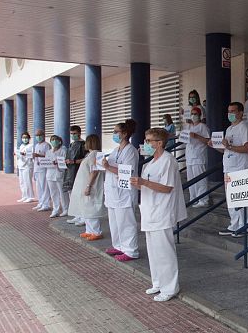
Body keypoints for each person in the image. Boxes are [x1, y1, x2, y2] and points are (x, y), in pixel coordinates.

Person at [130, 128, 187, 302]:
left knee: (164, 251)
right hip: (149, 211)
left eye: (148, 141)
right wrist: (137, 183)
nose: (145, 144)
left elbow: (167, 187)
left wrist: (144, 182)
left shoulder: (168, 161)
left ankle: (170, 287)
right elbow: (147, 186)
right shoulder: (149, 163)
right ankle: (158, 282)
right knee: (153, 251)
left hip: (162, 211)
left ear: (159, 143)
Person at [210, 102, 248, 236]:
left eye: (233, 111)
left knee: (241, 197)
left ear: (240, 113)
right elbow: (226, 150)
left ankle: (245, 226)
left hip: (240, 167)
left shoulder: (244, 127)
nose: (230, 114)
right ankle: (234, 224)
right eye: (229, 111)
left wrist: (229, 147)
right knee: (231, 198)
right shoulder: (229, 129)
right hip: (229, 166)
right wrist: (214, 145)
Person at [101, 119, 140, 261]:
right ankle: (118, 246)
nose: (114, 134)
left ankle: (131, 250)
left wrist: (108, 167)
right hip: (113, 191)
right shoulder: (115, 150)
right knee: (115, 222)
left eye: (116, 132)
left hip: (124, 192)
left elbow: (127, 171)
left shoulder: (131, 151)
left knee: (126, 222)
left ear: (124, 134)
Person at [69, 134, 105, 241]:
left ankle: (96, 231)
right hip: (85, 184)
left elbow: (95, 171)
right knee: (86, 208)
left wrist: (89, 186)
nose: (84, 144)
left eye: (87, 142)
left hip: (91, 186)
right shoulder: (90, 154)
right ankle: (89, 230)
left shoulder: (97, 155)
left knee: (91, 208)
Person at [186, 106, 211, 208]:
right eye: (192, 113)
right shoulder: (189, 127)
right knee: (191, 180)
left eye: (195, 114)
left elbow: (208, 141)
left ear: (200, 115)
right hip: (190, 157)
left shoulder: (203, 127)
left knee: (200, 180)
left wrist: (196, 136)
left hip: (199, 156)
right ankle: (193, 198)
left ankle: (203, 199)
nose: (193, 116)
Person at [64, 126, 87, 220]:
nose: (73, 135)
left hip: (78, 171)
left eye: (74, 133)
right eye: (71, 133)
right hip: (70, 171)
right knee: (72, 194)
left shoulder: (83, 144)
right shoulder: (71, 144)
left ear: (79, 133)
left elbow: (86, 159)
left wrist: (73, 162)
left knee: (79, 194)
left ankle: (82, 216)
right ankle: (76, 215)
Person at [45, 135, 66, 218]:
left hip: (59, 173)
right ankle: (55, 209)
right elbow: (46, 162)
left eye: (55, 140)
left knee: (62, 193)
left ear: (59, 141)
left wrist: (58, 163)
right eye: (52, 140)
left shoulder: (63, 151)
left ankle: (65, 209)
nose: (54, 141)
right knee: (53, 193)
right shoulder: (48, 152)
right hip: (50, 174)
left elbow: (63, 162)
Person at [31, 129, 52, 211]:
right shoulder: (36, 145)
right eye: (37, 135)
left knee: (44, 187)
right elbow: (36, 157)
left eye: (40, 135)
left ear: (43, 135)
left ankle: (46, 204)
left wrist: (38, 155)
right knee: (38, 187)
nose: (38, 137)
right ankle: (40, 202)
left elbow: (48, 156)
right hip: (37, 168)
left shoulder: (46, 145)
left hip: (44, 169)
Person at [16, 132, 35, 202]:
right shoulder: (21, 146)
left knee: (27, 181)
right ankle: (24, 195)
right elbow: (20, 156)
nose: (25, 139)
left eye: (26, 138)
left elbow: (30, 156)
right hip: (21, 166)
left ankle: (30, 196)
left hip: (27, 166)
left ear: (29, 138)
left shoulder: (31, 146)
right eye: (23, 138)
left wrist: (24, 154)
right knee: (22, 182)